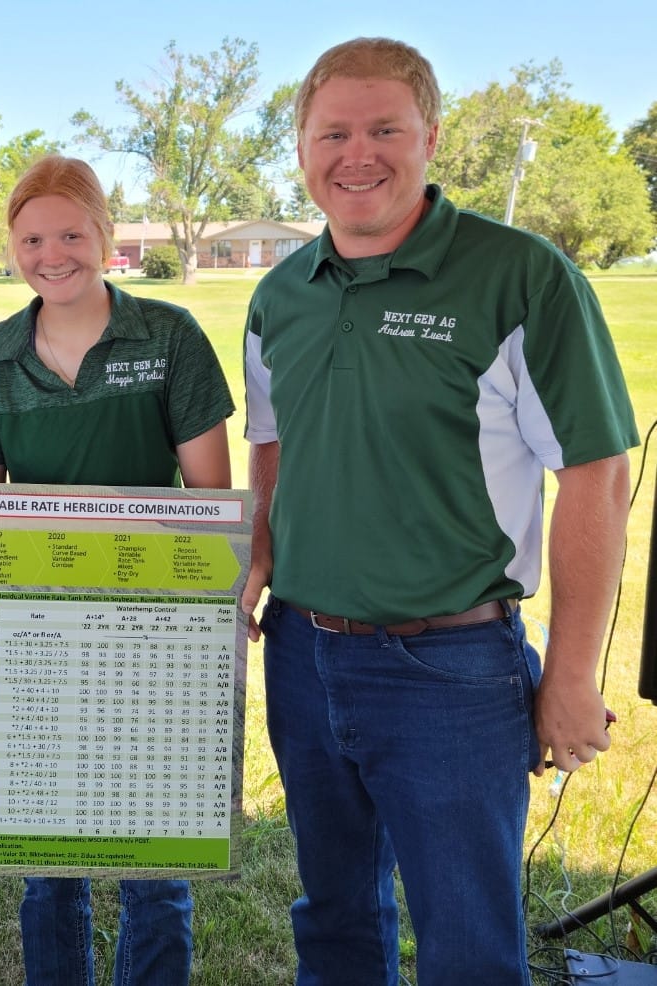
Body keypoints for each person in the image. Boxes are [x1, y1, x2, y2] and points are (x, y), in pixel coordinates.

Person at [240, 38, 638, 986]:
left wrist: (573, 675)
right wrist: (257, 554)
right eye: (332, 132)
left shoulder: (519, 276)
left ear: (432, 137)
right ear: (301, 146)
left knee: (466, 942)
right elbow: (272, 442)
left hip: (450, 669)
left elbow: (595, 472)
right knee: (333, 917)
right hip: (302, 654)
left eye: (385, 128)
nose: (357, 154)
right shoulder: (278, 295)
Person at [0, 154, 234, 986]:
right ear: (12, 245)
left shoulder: (168, 335)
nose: (52, 252)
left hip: (158, 631)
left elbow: (211, 500)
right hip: (38, 632)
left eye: (72, 232)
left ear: (105, 234)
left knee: (156, 858)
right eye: (32, 237)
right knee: (49, 861)